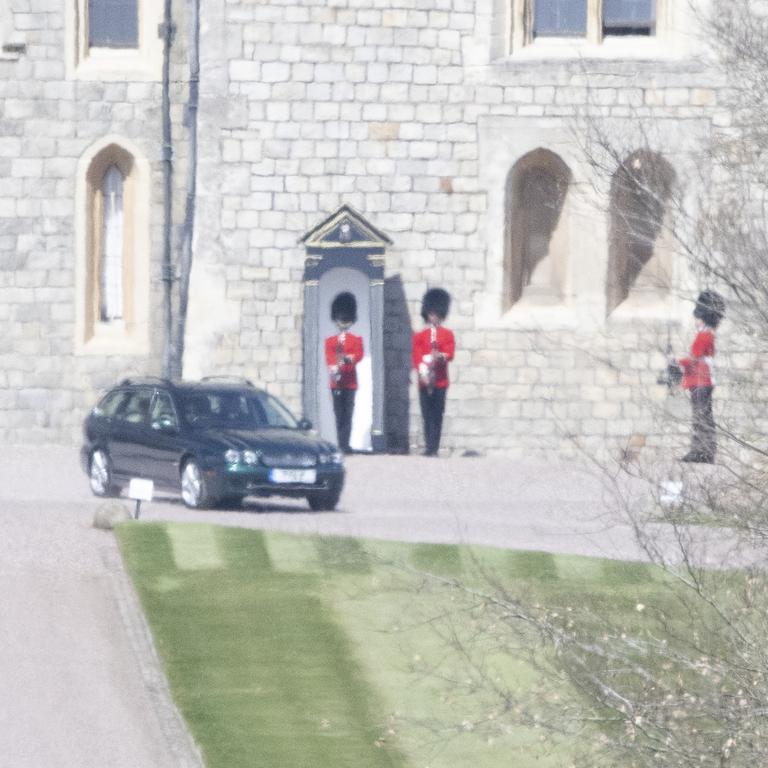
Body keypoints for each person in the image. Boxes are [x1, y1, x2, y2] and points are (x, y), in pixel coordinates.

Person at [671, 290, 725, 464]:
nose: (695, 320)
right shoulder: (706, 334)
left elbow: (694, 359)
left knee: (700, 417)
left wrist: (677, 362)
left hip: (701, 380)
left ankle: (702, 451)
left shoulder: (703, 336)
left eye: (697, 317)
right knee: (703, 416)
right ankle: (704, 450)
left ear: (702, 317)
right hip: (702, 380)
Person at [412, 288, 455, 457]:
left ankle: (434, 447)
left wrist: (440, 356)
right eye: (431, 313)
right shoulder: (420, 336)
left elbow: (450, 353)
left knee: (437, 414)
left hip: (440, 380)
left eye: (436, 314)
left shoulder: (447, 334)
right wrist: (422, 370)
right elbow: (416, 355)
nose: (433, 316)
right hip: (424, 379)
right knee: (426, 413)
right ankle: (429, 446)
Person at [325, 292, 364, 454]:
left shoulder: (356, 339)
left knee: (348, 415)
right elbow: (329, 357)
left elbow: (359, 354)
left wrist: (349, 359)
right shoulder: (330, 341)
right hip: (336, 382)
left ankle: (344, 445)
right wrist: (334, 367)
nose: (343, 321)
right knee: (339, 414)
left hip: (350, 382)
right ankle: (341, 443)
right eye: (341, 318)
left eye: (345, 318)